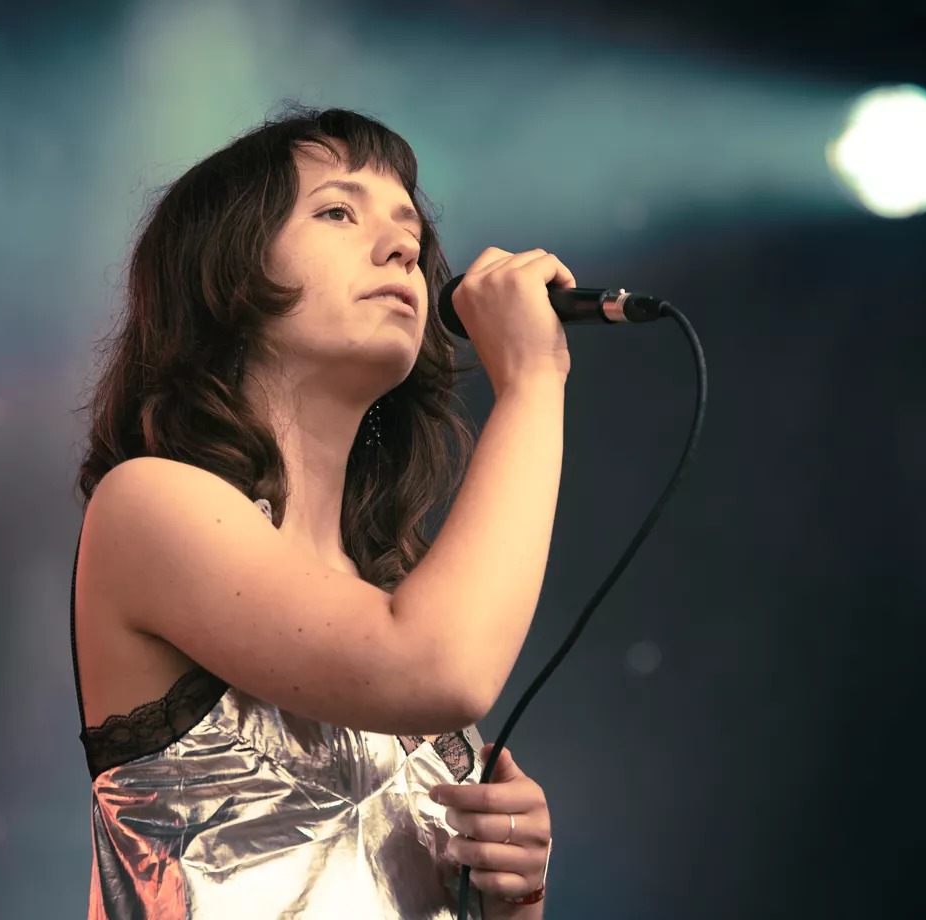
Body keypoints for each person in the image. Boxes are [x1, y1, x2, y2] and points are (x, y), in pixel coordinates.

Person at [71, 104, 571, 919]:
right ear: (227, 272)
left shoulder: (403, 597)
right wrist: (532, 381)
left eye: (410, 230)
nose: (402, 248)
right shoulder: (148, 504)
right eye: (339, 212)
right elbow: (441, 668)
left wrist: (512, 896)